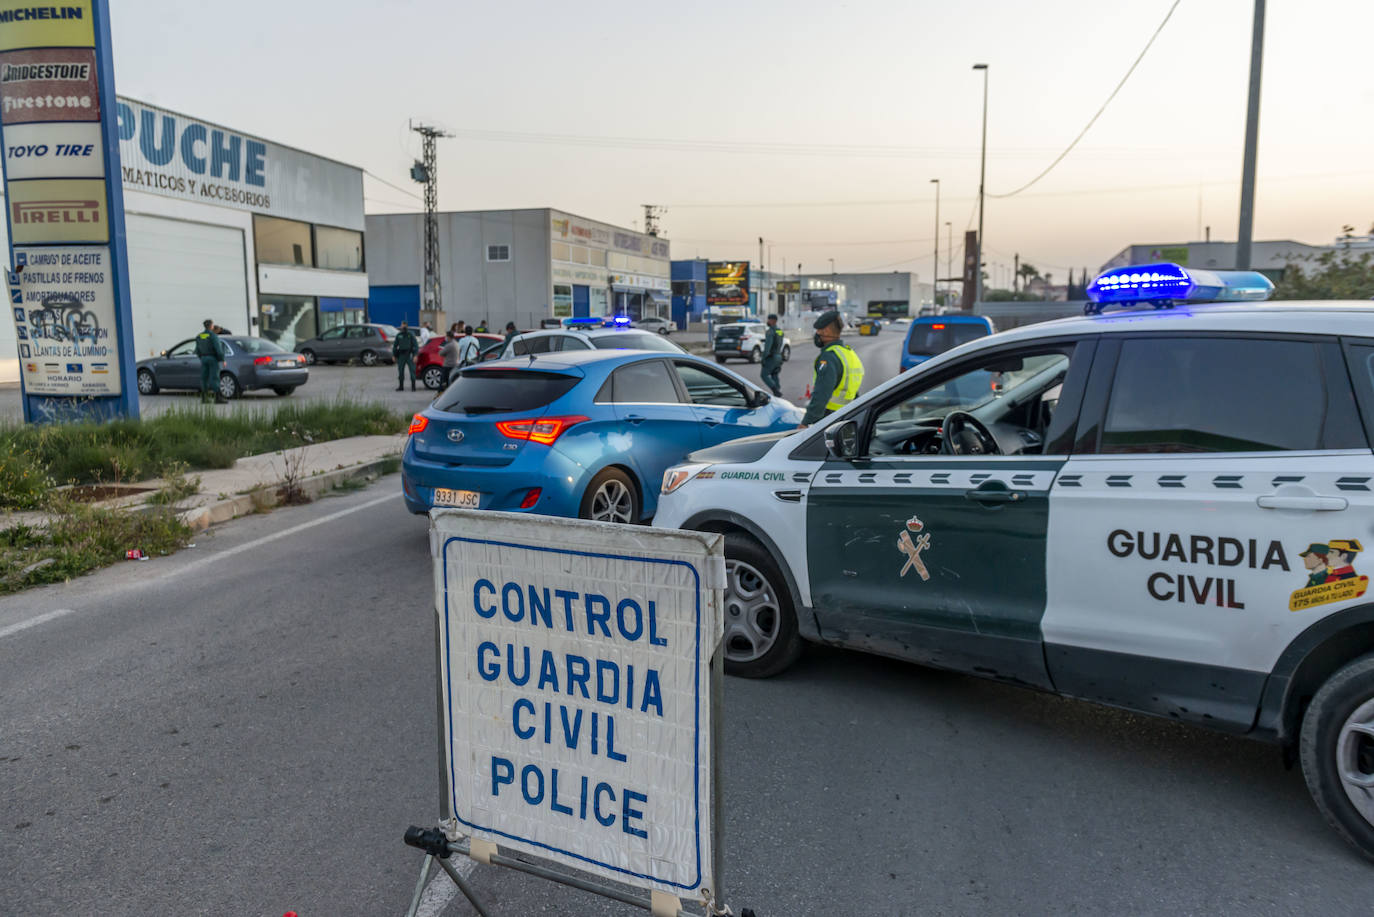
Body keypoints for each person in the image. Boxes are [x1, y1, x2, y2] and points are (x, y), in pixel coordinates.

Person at [799, 309, 863, 429]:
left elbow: (822, 394)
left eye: (818, 330)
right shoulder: (849, 353)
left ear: (827, 331)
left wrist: (806, 422)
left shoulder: (829, 357)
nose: (816, 334)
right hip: (848, 416)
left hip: (829, 418)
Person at [195, 319, 228, 404]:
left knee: (204, 378)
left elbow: (197, 350)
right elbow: (218, 349)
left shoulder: (200, 336)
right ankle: (218, 398)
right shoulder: (213, 336)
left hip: (203, 359)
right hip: (212, 359)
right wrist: (222, 359)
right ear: (211, 326)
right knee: (214, 378)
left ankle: (204, 398)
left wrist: (202, 358)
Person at [759, 313, 786, 397]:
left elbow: (768, 347)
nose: (768, 321)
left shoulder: (770, 332)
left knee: (763, 375)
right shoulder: (780, 331)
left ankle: (775, 391)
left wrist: (763, 358)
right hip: (778, 356)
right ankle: (778, 391)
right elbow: (780, 343)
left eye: (769, 319)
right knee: (774, 374)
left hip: (772, 357)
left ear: (773, 321)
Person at [392, 320, 419, 391]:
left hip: (409, 355)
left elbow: (415, 345)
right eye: (402, 325)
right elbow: (395, 346)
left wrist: (415, 355)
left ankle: (413, 387)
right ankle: (401, 386)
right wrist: (394, 355)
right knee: (400, 371)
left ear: (407, 325)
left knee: (412, 371)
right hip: (401, 355)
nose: (403, 326)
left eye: (404, 325)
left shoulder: (410, 335)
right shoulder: (399, 335)